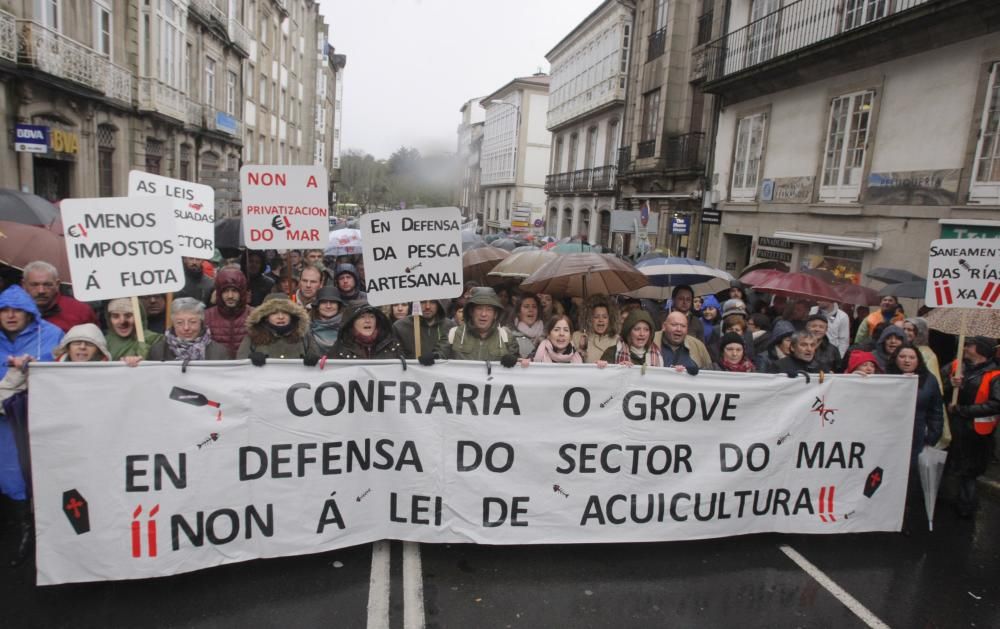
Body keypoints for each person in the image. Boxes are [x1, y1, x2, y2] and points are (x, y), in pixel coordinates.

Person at [0, 285, 63, 566]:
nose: (11, 316)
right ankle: (24, 528)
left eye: (17, 310)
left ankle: (48, 531)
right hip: (5, 421)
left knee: (47, 472)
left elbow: (66, 370)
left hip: (42, 417)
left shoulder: (50, 335)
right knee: (12, 475)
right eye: (4, 310)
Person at [943, 336, 1000, 518]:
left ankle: (965, 506)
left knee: (969, 471)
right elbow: (937, 386)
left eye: (970, 345)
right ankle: (938, 498)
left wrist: (962, 410)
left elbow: (996, 404)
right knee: (947, 465)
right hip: (953, 427)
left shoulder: (995, 376)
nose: (966, 347)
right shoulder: (956, 367)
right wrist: (951, 385)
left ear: (981, 350)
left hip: (976, 434)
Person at [887, 343, 944, 466]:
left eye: (912, 358)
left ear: (918, 360)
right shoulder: (886, 377)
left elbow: (936, 411)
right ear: (895, 358)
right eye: (902, 357)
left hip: (918, 435)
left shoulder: (929, 380)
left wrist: (932, 436)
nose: (907, 361)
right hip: (890, 435)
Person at [20, 260, 97, 333]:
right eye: (34, 285)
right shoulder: (13, 312)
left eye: (47, 285)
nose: (41, 291)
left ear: (57, 284)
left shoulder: (80, 311)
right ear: (24, 285)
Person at [143, 298, 229, 361]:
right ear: (173, 323)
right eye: (180, 323)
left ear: (201, 322)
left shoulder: (219, 352)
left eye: (192, 322)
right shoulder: (158, 351)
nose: (186, 328)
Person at [448, 287, 519, 363]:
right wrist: (435, 356)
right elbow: (440, 356)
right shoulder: (455, 334)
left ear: (495, 314)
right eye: (479, 308)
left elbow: (519, 366)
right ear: (471, 311)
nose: (483, 314)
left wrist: (515, 361)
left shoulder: (506, 337)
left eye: (489, 309)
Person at [237, 294, 315, 362]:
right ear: (266, 317)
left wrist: (312, 359)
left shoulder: (303, 335)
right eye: (274, 313)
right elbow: (240, 362)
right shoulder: (253, 336)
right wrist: (250, 359)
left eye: (285, 312)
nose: (281, 317)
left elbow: (319, 361)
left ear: (291, 315)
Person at [203, 266, 252, 359]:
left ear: (242, 293)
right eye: (225, 291)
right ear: (219, 293)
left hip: (246, 370)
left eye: (234, 291)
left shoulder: (254, 315)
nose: (230, 296)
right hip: (217, 369)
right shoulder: (207, 316)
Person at [327, 302, 404, 360]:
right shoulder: (339, 347)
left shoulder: (392, 345)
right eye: (362, 317)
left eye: (372, 317)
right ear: (352, 322)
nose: (367, 321)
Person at [571, 295, 620, 363]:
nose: (601, 320)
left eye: (605, 317)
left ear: (610, 319)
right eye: (596, 317)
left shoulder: (617, 339)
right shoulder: (577, 336)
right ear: (589, 319)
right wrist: (580, 352)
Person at [307, 286, 345, 359]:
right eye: (324, 302)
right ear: (317, 306)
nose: (328, 306)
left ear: (339, 305)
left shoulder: (349, 328)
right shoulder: (305, 328)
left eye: (333, 302)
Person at [510, 293, 545, 358]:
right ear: (518, 312)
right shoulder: (509, 335)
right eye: (526, 306)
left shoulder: (548, 335)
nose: (531, 310)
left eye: (534, 307)